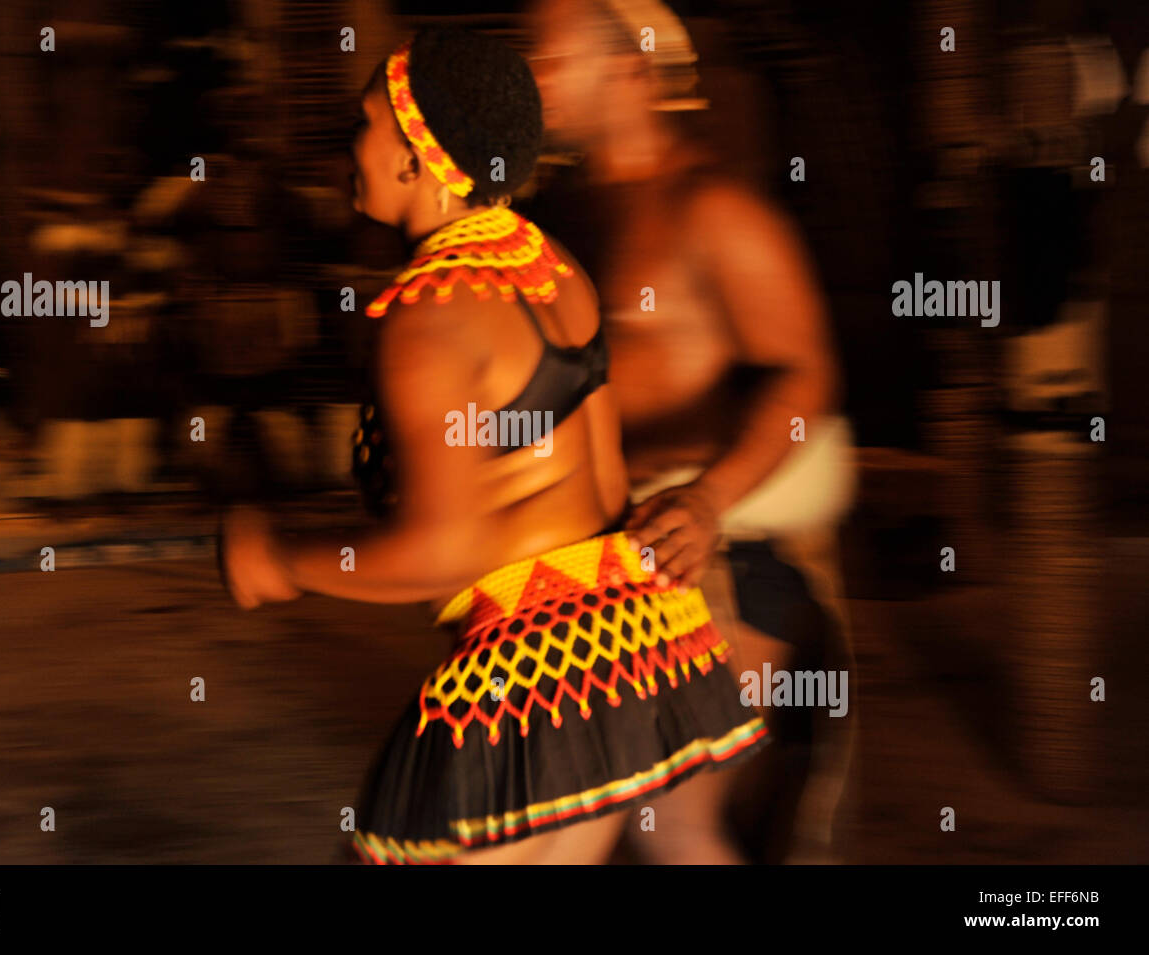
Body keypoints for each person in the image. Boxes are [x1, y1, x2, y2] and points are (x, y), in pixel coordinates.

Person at [220, 27, 768, 864]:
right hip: (633, 647)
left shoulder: (430, 316)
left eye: (366, 123)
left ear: (418, 159)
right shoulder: (556, 268)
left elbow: (446, 550)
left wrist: (281, 559)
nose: (350, 145)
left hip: (530, 678)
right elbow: (605, 480)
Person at [527, 0, 857, 862]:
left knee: (670, 824)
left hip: (713, 563)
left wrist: (709, 501)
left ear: (629, 70)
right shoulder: (557, 213)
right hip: (591, 566)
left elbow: (806, 372)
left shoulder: (712, 209)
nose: (537, 78)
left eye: (551, 56)